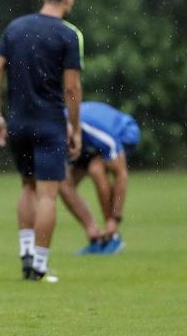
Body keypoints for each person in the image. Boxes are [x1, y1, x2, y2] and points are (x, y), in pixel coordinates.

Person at [0, 0, 83, 282]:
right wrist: (75, 127)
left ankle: (26, 252)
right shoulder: (68, 34)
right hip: (50, 124)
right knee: (47, 196)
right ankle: (39, 266)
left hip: (19, 123)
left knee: (27, 186)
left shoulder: (16, 28)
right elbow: (71, 88)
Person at [58, 101, 139, 255]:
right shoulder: (55, 129)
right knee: (62, 182)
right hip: (85, 141)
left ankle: (112, 236)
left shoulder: (92, 130)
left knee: (96, 168)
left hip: (124, 133)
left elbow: (121, 174)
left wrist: (115, 219)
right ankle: (94, 233)